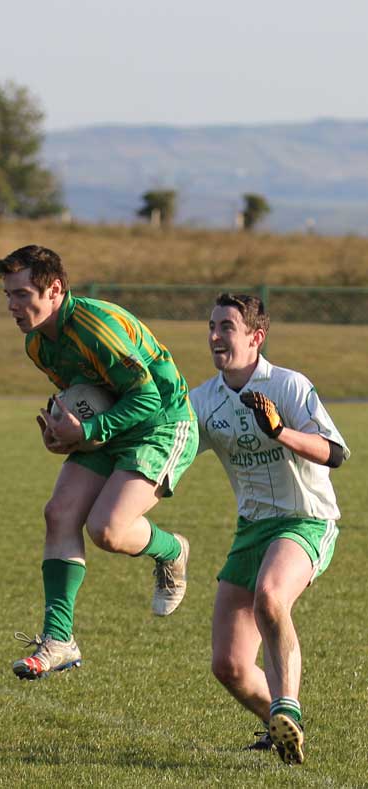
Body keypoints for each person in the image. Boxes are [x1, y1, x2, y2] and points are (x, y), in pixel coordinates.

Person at [0, 245, 198, 681]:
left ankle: (173, 550)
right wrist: (61, 431)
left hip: (162, 422)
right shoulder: (38, 345)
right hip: (113, 422)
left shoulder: (95, 327)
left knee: (107, 529)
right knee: (59, 513)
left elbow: (147, 397)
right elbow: (87, 399)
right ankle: (58, 640)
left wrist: (86, 432)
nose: (13, 305)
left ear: (55, 289)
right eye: (8, 295)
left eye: (23, 294)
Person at [189, 293, 349, 766]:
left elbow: (335, 453)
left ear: (256, 337)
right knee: (230, 666)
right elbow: (171, 452)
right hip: (251, 528)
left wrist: (280, 432)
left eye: (227, 327)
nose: (215, 336)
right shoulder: (204, 399)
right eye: (212, 326)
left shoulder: (288, 385)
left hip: (306, 519)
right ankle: (280, 729)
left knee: (271, 595)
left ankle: (287, 704)